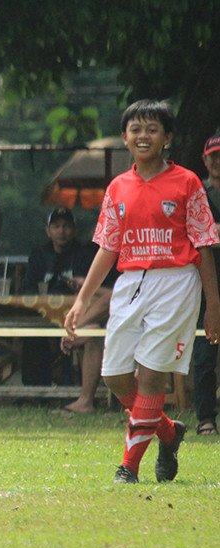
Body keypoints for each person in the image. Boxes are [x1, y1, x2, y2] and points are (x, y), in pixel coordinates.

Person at [65, 99, 220, 484]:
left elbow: (204, 247)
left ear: (167, 138)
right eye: (135, 129)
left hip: (176, 281)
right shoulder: (118, 187)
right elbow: (107, 247)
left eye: (152, 129)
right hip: (131, 282)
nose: (143, 135)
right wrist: (83, 298)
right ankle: (167, 432)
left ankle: (128, 467)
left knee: (151, 377)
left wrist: (212, 305)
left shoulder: (187, 183)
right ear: (124, 138)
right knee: (115, 376)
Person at [19, 206, 116, 413]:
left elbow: (111, 294)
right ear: (48, 231)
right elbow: (25, 288)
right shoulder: (39, 255)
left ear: (75, 230)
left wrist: (85, 286)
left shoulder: (87, 254)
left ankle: (88, 397)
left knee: (91, 330)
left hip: (86, 315)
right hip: (41, 315)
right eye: (56, 226)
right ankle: (34, 391)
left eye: (66, 226)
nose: (61, 231)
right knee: (29, 335)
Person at [191, 133, 220, 435]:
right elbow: (195, 235)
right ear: (205, 159)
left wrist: (210, 235)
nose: (218, 161)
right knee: (204, 352)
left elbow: (206, 235)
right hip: (204, 282)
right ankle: (205, 418)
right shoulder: (195, 191)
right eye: (213, 155)